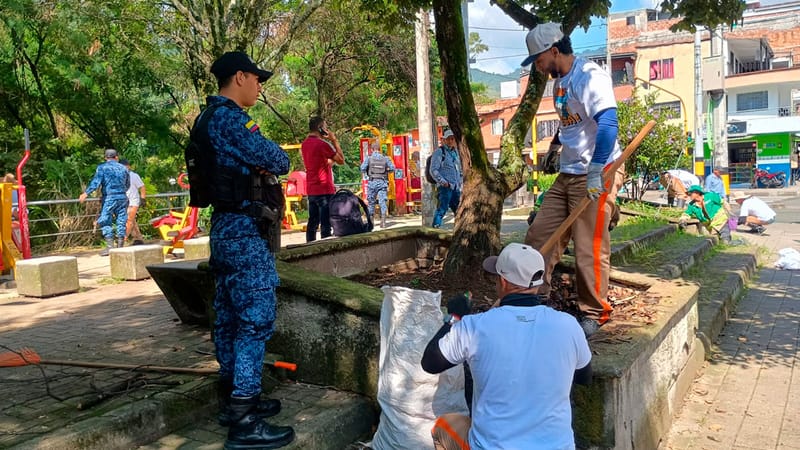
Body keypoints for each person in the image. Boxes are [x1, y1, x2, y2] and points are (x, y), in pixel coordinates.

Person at [200, 51, 294, 449]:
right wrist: (266, 162)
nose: (259, 86)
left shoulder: (207, 117)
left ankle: (235, 401)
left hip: (225, 228)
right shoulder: (230, 119)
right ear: (239, 77)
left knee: (227, 317)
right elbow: (279, 159)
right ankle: (244, 422)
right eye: (257, 79)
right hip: (243, 230)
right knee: (254, 320)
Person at [422, 243, 592, 449]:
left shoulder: (474, 327)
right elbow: (584, 377)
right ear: (538, 282)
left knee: (442, 427)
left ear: (502, 281)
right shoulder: (568, 325)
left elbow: (430, 363)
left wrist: (454, 317)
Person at [521, 22, 624, 336]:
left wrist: (596, 170)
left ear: (554, 51)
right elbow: (570, 122)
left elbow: (608, 123)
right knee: (539, 236)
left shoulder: (590, 76)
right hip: (569, 173)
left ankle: (594, 312)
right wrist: (555, 147)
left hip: (598, 172)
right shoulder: (560, 82)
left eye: (539, 60)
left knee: (588, 247)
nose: (537, 67)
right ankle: (534, 298)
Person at [301, 116, 345, 242]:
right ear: (320, 128)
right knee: (326, 225)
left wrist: (329, 162)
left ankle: (309, 246)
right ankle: (325, 248)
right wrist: (334, 140)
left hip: (311, 189)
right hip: (324, 190)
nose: (327, 130)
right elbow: (341, 160)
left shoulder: (304, 145)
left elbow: (318, 162)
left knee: (312, 223)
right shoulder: (323, 144)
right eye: (325, 127)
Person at [79, 149, 129, 256]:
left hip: (109, 198)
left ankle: (110, 247)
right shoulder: (123, 168)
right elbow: (127, 184)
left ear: (106, 158)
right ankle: (120, 247)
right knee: (121, 220)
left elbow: (96, 182)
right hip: (122, 197)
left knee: (105, 220)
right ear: (116, 157)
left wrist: (86, 193)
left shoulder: (102, 167)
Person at [430, 129, 463, 228]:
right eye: (448, 139)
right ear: (444, 140)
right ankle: (435, 229)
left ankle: (460, 230)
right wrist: (444, 182)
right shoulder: (440, 152)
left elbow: (459, 169)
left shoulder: (455, 153)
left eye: (452, 139)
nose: (450, 141)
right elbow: (433, 170)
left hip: (455, 187)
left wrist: (460, 183)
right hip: (445, 187)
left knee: (459, 211)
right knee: (442, 209)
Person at [360, 142, 396, 228]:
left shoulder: (369, 158)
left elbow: (362, 168)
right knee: (382, 201)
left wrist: (368, 170)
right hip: (382, 182)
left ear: (372, 149)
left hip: (372, 182)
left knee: (371, 202)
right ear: (380, 149)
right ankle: (383, 222)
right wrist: (386, 171)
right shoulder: (386, 158)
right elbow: (392, 168)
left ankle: (371, 222)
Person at [119, 159, 146, 245]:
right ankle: (138, 238)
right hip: (124, 202)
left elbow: (142, 187)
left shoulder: (134, 176)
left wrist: (143, 199)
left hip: (133, 201)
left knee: (128, 220)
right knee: (131, 220)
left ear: (128, 167)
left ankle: (122, 239)